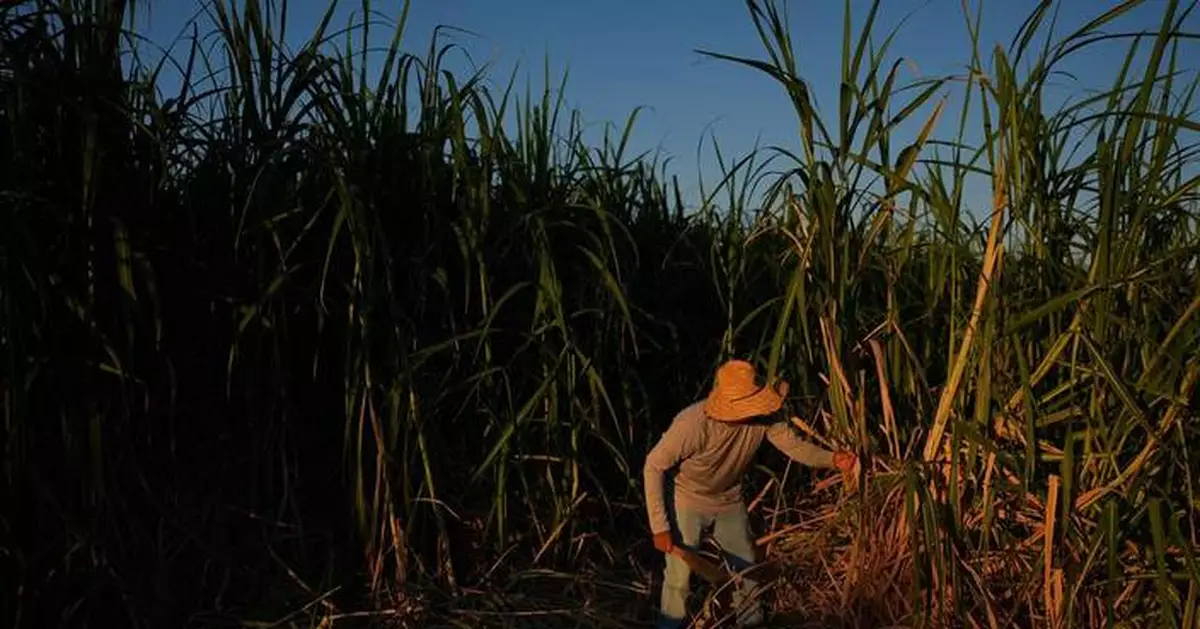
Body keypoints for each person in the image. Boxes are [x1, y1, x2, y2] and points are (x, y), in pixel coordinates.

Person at [643, 359, 857, 628]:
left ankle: (751, 624)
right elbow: (653, 465)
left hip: (729, 499)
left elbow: (796, 447)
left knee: (747, 570)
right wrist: (659, 526)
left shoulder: (764, 418)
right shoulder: (692, 423)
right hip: (687, 498)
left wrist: (834, 459)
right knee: (679, 575)